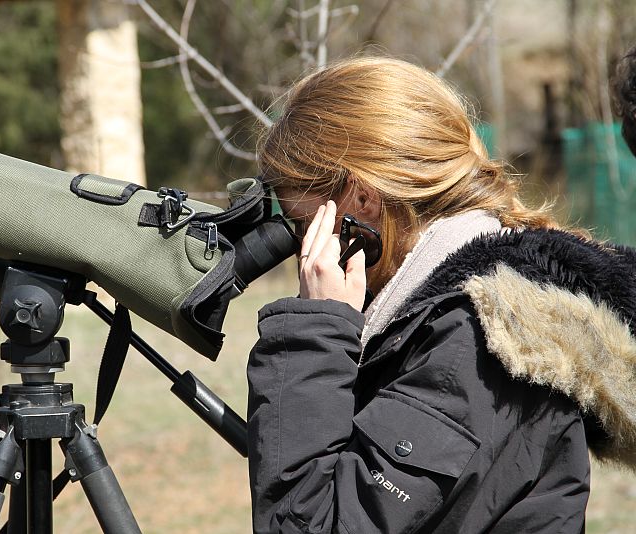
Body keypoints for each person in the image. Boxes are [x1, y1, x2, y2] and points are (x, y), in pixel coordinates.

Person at [247, 56, 636, 534]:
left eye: (305, 223)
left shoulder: (468, 345)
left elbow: (307, 525)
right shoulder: (441, 314)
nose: (303, 247)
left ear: (362, 200)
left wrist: (317, 330)